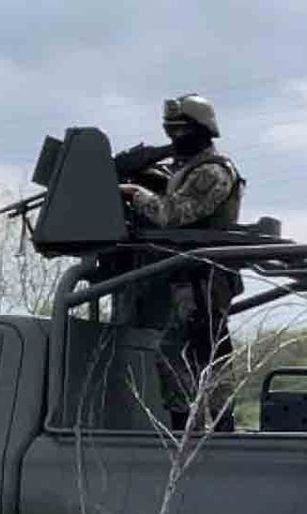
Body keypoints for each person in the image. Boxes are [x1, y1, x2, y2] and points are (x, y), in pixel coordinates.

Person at [119, 94, 245, 429]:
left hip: (206, 276)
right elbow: (176, 194)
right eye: (170, 130)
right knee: (188, 352)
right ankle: (192, 426)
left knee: (205, 353)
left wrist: (136, 194)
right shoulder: (189, 170)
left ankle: (213, 428)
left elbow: (173, 213)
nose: (174, 138)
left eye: (181, 130)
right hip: (189, 274)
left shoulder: (214, 172)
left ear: (202, 130)